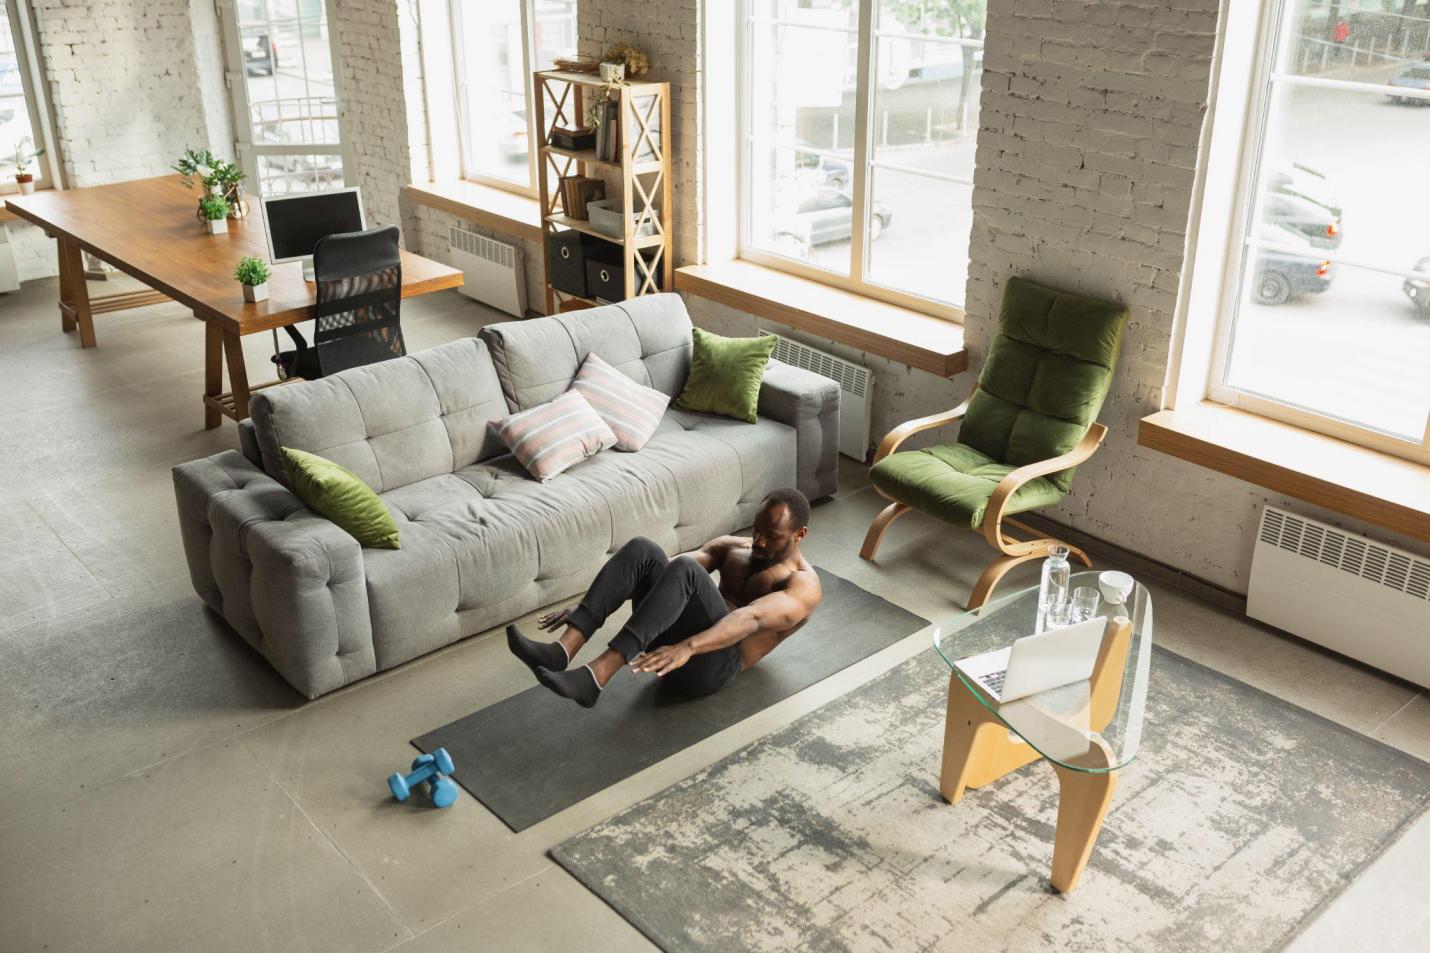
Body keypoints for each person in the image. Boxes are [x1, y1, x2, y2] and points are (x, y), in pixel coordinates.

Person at [506, 488, 823, 708]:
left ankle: (598, 674)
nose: (759, 541)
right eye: (757, 531)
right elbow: (663, 575)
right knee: (644, 549)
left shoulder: (802, 585)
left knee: (686, 569)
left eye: (772, 536)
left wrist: (688, 647)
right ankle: (563, 649)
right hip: (671, 649)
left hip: (712, 666)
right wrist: (594, 602)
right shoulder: (733, 548)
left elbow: (748, 618)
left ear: (800, 534)